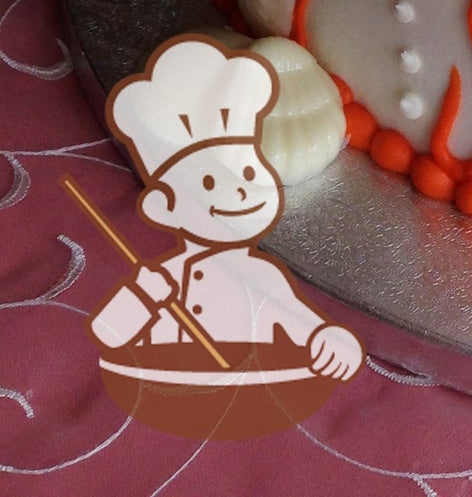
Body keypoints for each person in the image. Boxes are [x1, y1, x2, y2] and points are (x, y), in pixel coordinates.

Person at [90, 34, 362, 379]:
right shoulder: (169, 272)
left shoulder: (264, 274)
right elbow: (108, 331)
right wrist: (144, 296)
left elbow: (308, 326)